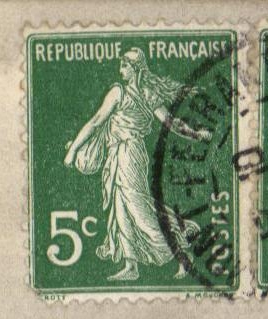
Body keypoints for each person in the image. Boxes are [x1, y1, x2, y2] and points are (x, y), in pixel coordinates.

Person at [63, 48, 211, 282]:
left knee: (138, 210)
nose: (120, 70)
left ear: (134, 69)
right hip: (119, 154)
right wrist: (196, 134)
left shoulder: (123, 92)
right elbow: (171, 123)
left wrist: (73, 151)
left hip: (129, 154)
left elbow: (95, 122)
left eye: (124, 66)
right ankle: (131, 265)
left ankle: (182, 254)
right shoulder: (140, 92)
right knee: (121, 209)